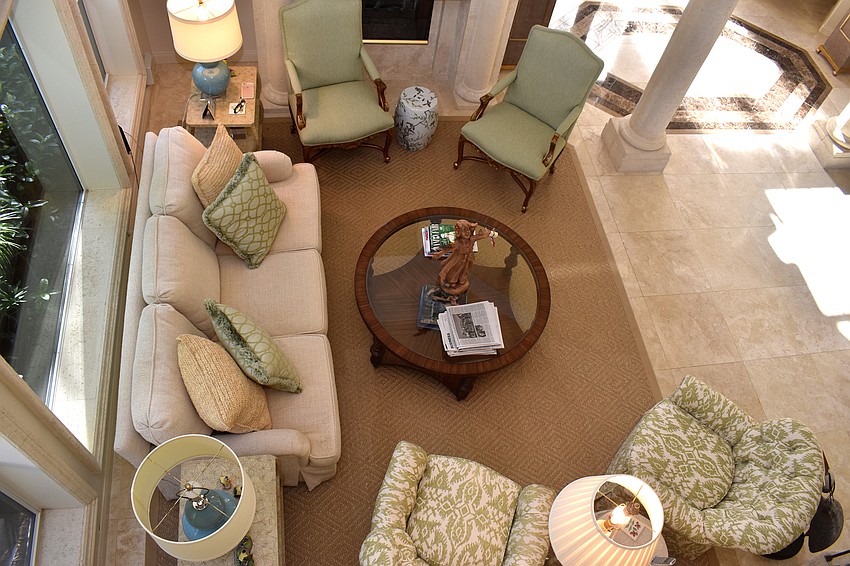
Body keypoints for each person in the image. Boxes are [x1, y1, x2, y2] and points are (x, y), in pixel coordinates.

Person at [432, 219, 496, 304]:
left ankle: (459, 282)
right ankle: (451, 283)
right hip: (456, 261)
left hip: (466, 260)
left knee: (463, 273)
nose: (467, 232)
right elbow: (448, 249)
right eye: (464, 230)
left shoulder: (472, 239)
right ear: (458, 232)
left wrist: (490, 234)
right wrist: (439, 254)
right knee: (452, 272)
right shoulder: (458, 243)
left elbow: (480, 236)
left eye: (468, 230)